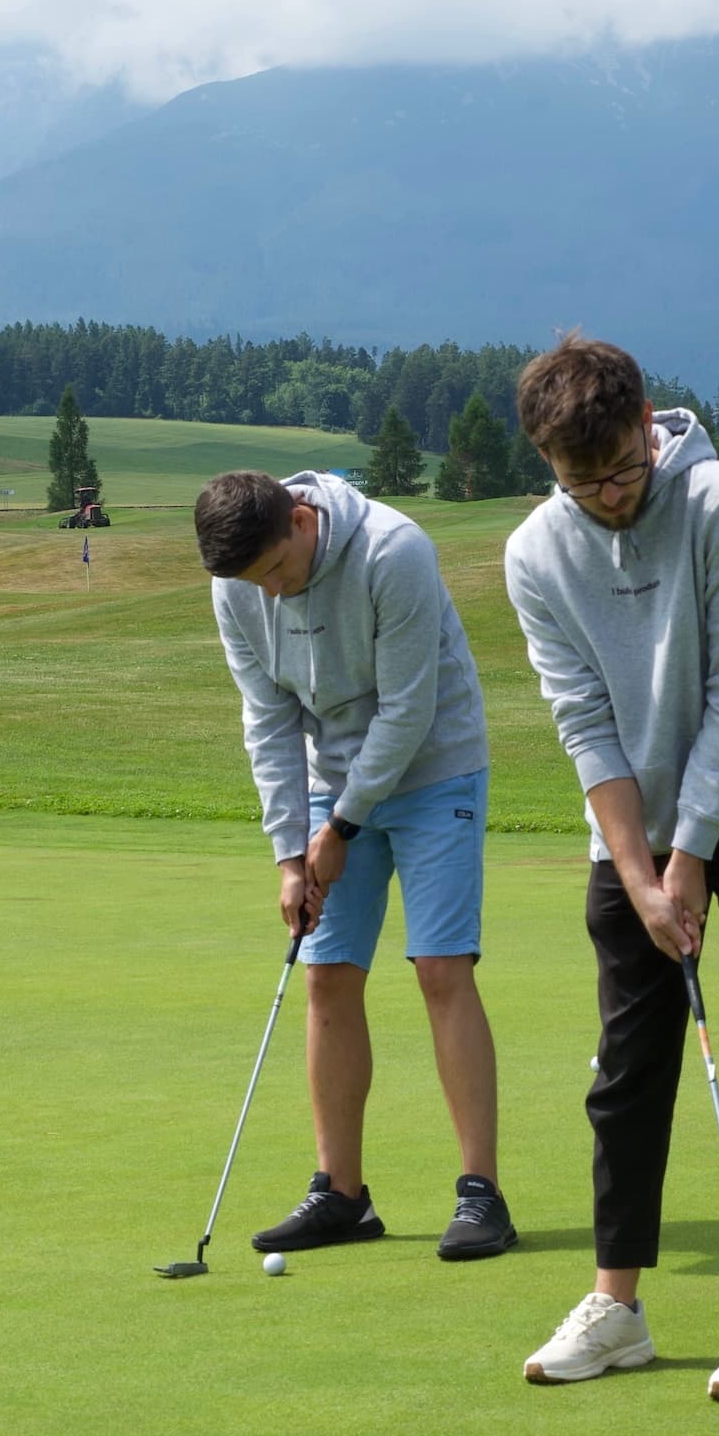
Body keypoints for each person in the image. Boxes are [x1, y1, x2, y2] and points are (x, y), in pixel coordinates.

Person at [501, 334, 719, 1401]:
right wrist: (641, 869)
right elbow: (584, 721)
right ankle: (620, 1307)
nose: (606, 496)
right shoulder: (534, 552)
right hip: (634, 834)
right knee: (626, 1072)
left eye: (621, 472)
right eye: (579, 480)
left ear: (650, 424)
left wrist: (689, 855)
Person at [195, 466, 518, 1260]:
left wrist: (339, 826)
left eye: (275, 571)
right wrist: (287, 853)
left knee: (441, 967)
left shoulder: (393, 551)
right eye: (252, 582)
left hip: (436, 763)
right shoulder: (238, 586)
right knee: (326, 971)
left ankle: (482, 1196)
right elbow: (267, 720)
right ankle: (342, 1194)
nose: (269, 594)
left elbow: (409, 707)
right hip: (329, 781)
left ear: (301, 521)